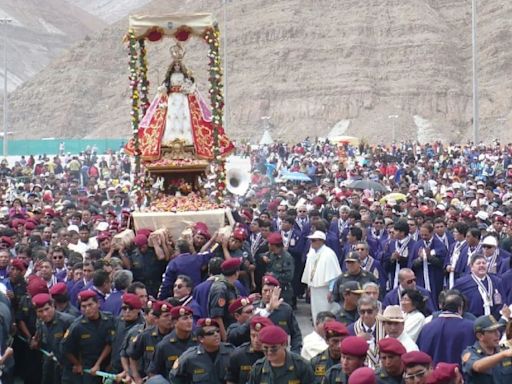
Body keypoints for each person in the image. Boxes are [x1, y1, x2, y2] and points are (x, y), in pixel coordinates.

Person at [125, 44, 234, 161]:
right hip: (172, 100)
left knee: (185, 119)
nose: (177, 66)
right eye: (175, 65)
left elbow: (191, 87)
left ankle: (187, 141)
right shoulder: (170, 77)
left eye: (178, 65)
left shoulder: (184, 77)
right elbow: (165, 87)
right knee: (170, 120)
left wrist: (188, 88)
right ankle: (169, 141)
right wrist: (163, 90)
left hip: (183, 100)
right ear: (172, 67)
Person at [61, 290, 115, 384]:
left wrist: (99, 363)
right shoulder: (77, 326)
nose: (87, 309)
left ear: (98, 304)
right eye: (84, 306)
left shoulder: (109, 319)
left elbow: (109, 343)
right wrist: (77, 364)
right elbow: (65, 348)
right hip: (88, 369)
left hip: (107, 366)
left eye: (90, 305)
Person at [169, 318, 235, 384]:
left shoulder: (231, 352)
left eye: (217, 331)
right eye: (210, 333)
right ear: (201, 339)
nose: (216, 334)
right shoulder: (189, 357)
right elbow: (174, 376)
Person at [416, 293, 475, 365]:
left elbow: (420, 352)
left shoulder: (427, 327)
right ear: (460, 308)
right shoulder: (470, 327)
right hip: (458, 374)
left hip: (433, 374)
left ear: (442, 306)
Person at [31, 293, 75, 384]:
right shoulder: (40, 322)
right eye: (40, 311)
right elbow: (40, 340)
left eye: (47, 309)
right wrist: (35, 343)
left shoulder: (67, 321)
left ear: (53, 306)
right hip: (55, 362)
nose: (45, 314)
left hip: (71, 366)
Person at [247, 325, 314, 384]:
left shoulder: (301, 366)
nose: (269, 352)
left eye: (274, 348)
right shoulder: (258, 368)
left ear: (284, 345)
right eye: (265, 348)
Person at [254, 274, 303, 354]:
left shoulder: (286, 309)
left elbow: (296, 334)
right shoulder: (254, 308)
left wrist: (295, 352)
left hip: (280, 351)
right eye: (265, 290)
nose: (267, 294)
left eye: (271, 291)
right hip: (259, 352)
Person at [128, 301, 174, 383]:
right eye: (166, 316)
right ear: (156, 319)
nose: (170, 319)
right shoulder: (146, 335)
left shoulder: (176, 335)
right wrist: (136, 376)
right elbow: (132, 356)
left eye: (171, 316)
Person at [302, 230, 342, 321]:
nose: (311, 243)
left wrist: (332, 290)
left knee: (326, 312)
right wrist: (309, 286)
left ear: (320, 241)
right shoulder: (312, 253)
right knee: (315, 312)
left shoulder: (329, 254)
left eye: (313, 240)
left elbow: (333, 274)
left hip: (325, 289)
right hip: (314, 288)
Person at [148, 306, 197, 378]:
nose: (189, 321)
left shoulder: (199, 341)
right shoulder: (164, 345)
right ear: (175, 322)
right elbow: (153, 372)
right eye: (185, 318)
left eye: (191, 318)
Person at [461, 315, 512, 383]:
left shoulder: (504, 350)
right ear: (480, 336)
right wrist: (503, 355)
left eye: (497, 330)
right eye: (492, 331)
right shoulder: (470, 353)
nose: (498, 334)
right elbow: (477, 366)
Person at [453, 253, 505, 319]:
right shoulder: (462, 283)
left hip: (493, 320)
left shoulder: (496, 281)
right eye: (478, 263)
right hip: (471, 321)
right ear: (471, 267)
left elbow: (502, 301)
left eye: (484, 263)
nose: (482, 265)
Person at [225, 316, 272, 384]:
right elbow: (231, 380)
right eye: (253, 335)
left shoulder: (276, 354)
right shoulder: (238, 355)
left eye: (260, 336)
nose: (256, 340)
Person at [207, 258, 242, 341]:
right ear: (236, 272)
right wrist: (225, 338)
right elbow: (217, 316)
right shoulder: (220, 288)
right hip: (226, 330)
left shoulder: (230, 285)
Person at [348, 296, 385, 368]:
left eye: (369, 311)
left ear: (376, 311)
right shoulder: (351, 330)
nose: (366, 315)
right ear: (358, 312)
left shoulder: (385, 327)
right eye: (362, 312)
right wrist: (356, 341)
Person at [266, 232, 295, 306]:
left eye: (270, 244)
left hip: (283, 291)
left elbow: (289, 276)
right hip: (272, 290)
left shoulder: (286, 257)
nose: (268, 245)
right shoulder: (271, 255)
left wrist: (274, 276)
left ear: (275, 245)